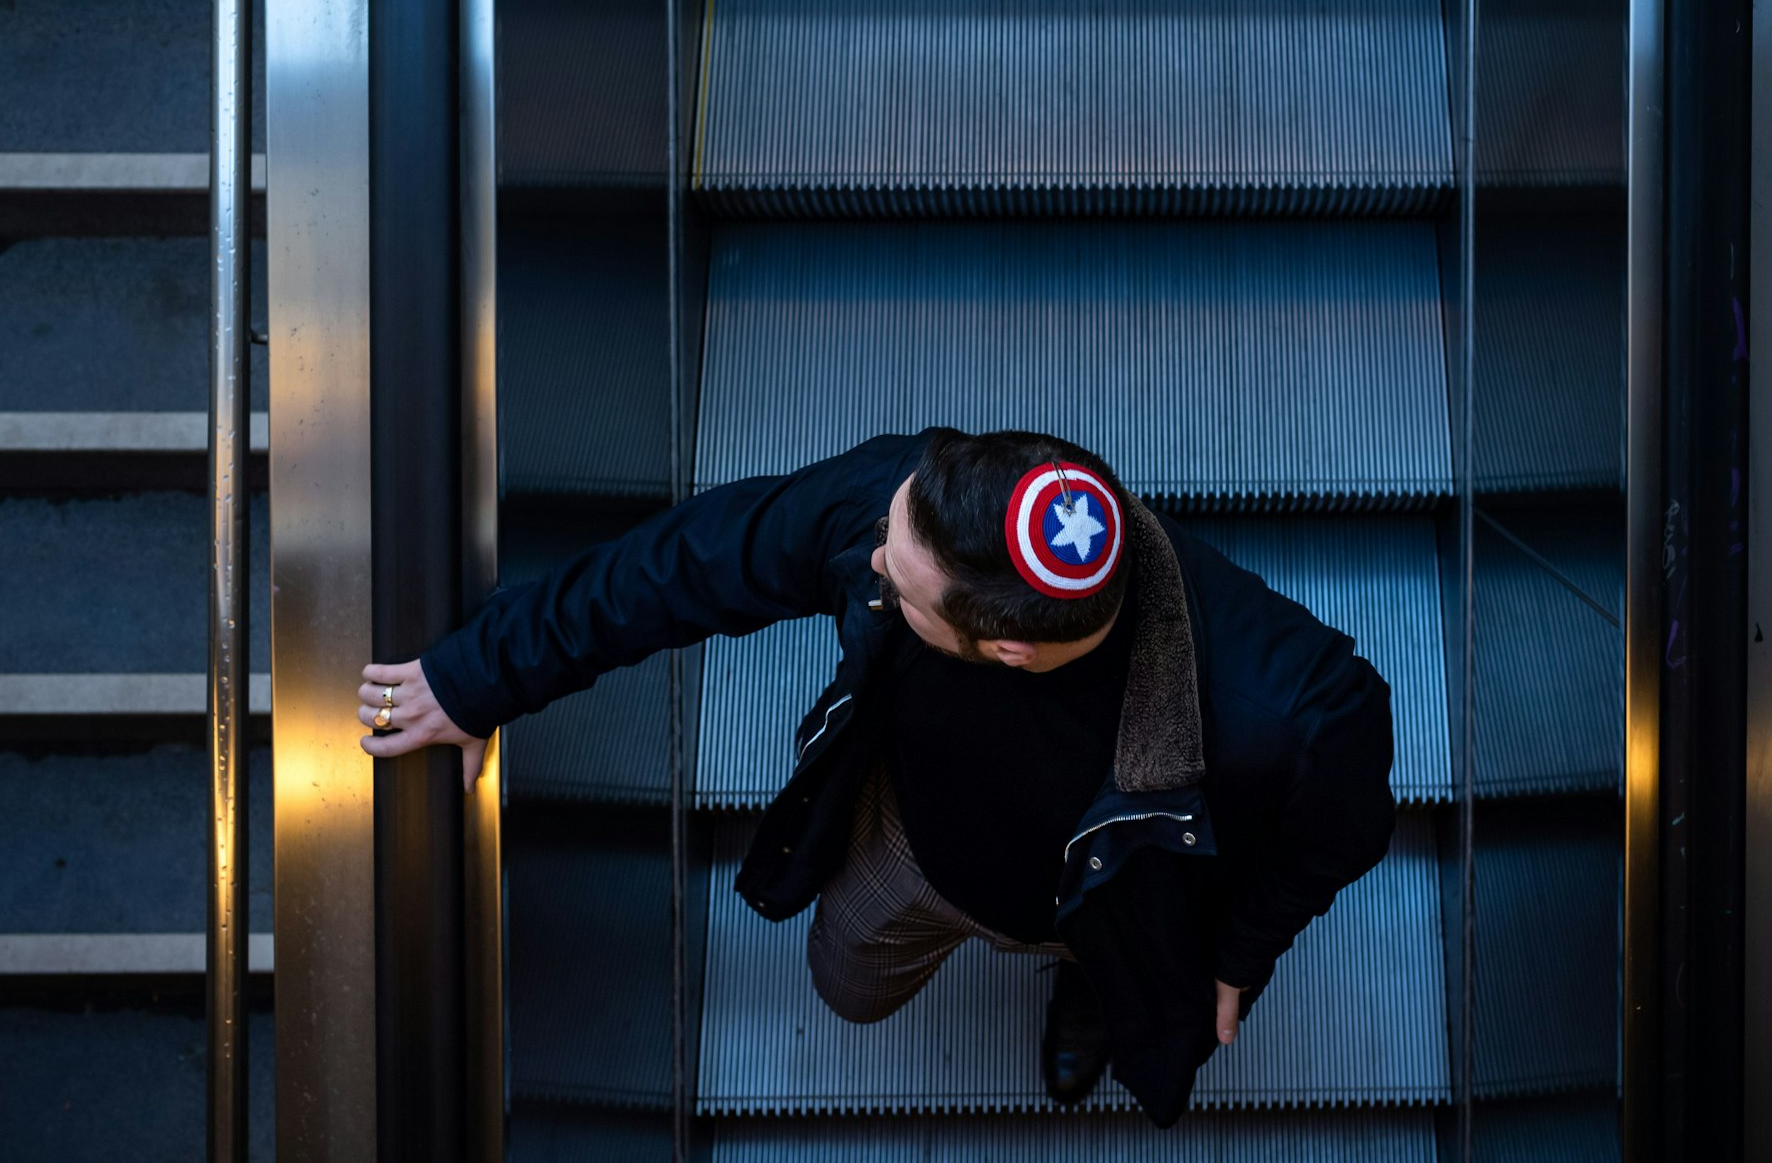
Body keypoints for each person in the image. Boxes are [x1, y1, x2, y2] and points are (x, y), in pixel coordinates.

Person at [356, 427, 1397, 1126]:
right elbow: (688, 561)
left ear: (1006, 650)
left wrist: (1234, 957)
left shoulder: (1293, 704)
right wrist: (479, 675)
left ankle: (1086, 981)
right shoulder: (906, 505)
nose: (865, 558)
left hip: (1118, 892)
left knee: (1117, 980)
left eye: (895, 582)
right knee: (844, 985)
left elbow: (1335, 832)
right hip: (914, 848)